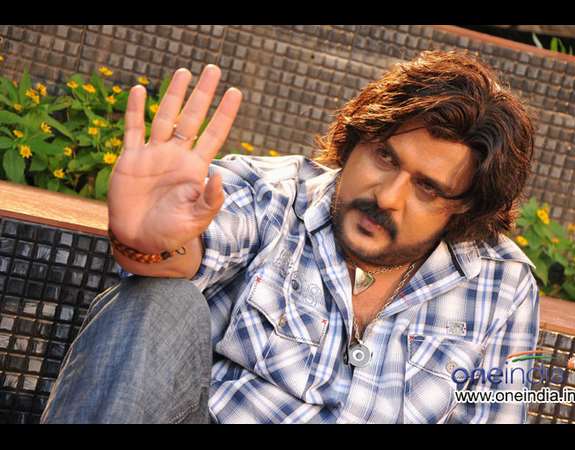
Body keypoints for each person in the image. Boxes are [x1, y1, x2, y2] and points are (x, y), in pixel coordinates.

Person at [41, 50, 539, 424]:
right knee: (158, 300)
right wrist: (146, 240)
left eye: (427, 188)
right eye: (385, 157)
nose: (388, 196)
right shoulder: (273, 196)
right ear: (355, 139)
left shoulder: (503, 285)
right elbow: (193, 247)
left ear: (464, 208)